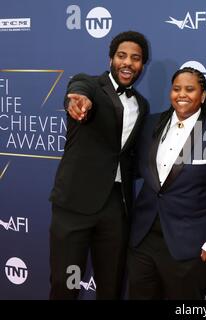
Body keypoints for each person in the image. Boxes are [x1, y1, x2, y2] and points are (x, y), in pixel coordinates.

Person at [49, 31, 150, 299]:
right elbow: (78, 91)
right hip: (75, 206)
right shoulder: (90, 84)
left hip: (116, 208)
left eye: (136, 58)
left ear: (142, 65)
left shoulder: (142, 105)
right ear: (111, 60)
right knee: (66, 283)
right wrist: (79, 101)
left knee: (111, 285)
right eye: (122, 56)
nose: (128, 62)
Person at [127, 67, 206, 300]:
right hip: (143, 237)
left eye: (190, 89)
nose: (182, 94)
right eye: (177, 89)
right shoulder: (150, 124)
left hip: (190, 244)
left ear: (203, 96)